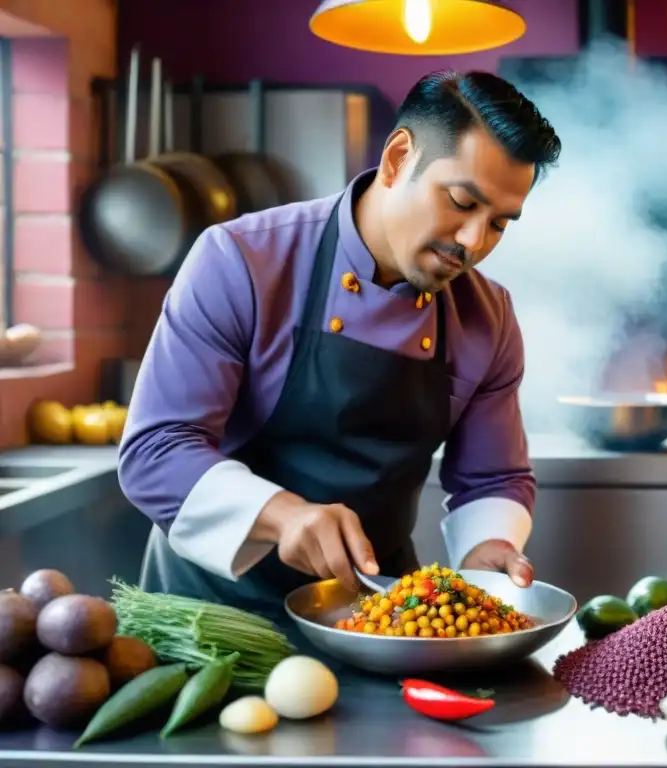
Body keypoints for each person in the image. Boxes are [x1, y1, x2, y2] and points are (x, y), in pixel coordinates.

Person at [117, 70, 562, 624]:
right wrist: (282, 516)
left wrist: (486, 547)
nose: (474, 242)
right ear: (399, 158)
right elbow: (156, 449)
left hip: (372, 614)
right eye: (461, 202)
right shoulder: (241, 261)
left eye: (498, 223)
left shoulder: (487, 317)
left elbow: (493, 478)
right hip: (209, 616)